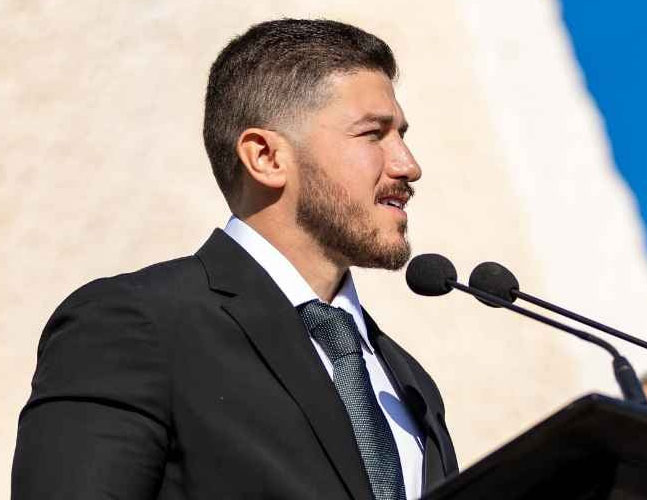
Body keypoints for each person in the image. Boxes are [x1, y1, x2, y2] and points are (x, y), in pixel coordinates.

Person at [12, 19, 458, 499]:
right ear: (265, 157)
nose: (408, 165)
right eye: (373, 134)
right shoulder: (135, 326)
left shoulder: (409, 383)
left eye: (401, 135)